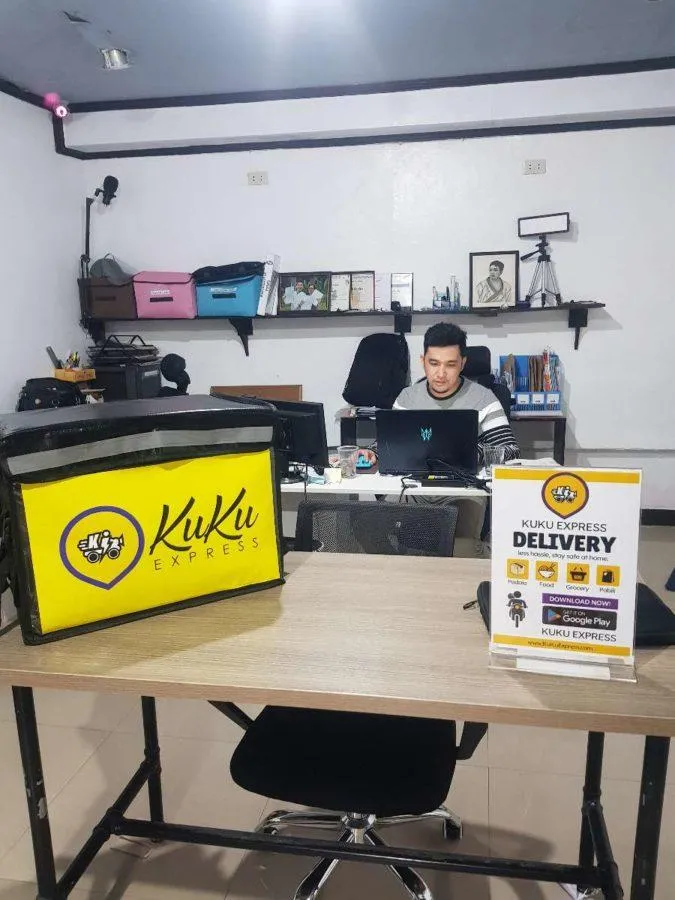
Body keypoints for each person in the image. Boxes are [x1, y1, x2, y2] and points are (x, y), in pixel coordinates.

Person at [359, 322, 519, 466]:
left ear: (462, 363)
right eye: (434, 363)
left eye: (450, 365)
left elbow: (511, 451)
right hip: (413, 482)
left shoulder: (483, 398)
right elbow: (389, 442)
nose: (441, 374)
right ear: (423, 361)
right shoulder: (407, 397)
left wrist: (469, 453)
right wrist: (372, 452)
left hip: (465, 484)